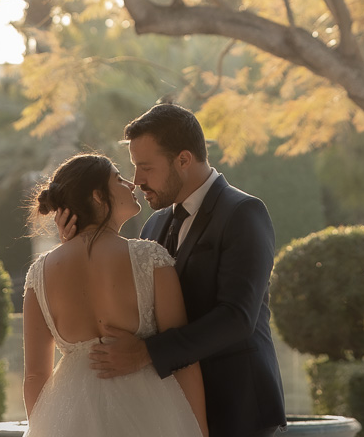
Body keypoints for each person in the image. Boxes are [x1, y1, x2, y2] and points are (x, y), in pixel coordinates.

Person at [88, 103, 287, 437]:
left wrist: (145, 354)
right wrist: (80, 238)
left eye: (146, 167)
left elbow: (237, 316)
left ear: (183, 159)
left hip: (237, 408)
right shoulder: (154, 224)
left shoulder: (243, 213)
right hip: (171, 408)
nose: (137, 181)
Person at [22, 152, 207, 437]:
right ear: (98, 195)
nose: (131, 184)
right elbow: (183, 358)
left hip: (70, 421)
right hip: (151, 415)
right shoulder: (151, 258)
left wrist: (43, 428)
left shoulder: (39, 275)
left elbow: (35, 375)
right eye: (119, 179)